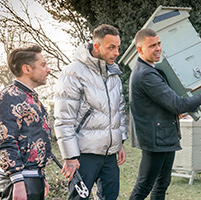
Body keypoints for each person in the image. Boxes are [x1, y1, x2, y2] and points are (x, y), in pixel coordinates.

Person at [129, 28, 201, 200]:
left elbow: (163, 104)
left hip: (164, 136)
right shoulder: (146, 74)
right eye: (152, 46)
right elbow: (176, 104)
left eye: (159, 43)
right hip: (155, 139)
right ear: (139, 50)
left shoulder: (153, 70)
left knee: (162, 184)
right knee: (144, 186)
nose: (158, 48)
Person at [54, 24, 127, 200]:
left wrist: (120, 141)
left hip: (109, 155)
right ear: (97, 46)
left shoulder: (113, 73)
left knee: (111, 196)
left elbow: (120, 109)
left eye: (118, 47)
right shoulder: (73, 72)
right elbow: (64, 118)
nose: (116, 52)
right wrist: (70, 156)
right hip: (83, 154)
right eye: (111, 47)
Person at [0, 45, 52, 199]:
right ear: (27, 69)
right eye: (43, 65)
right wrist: (18, 183)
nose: (48, 69)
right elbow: (5, 141)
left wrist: (41, 175)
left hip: (34, 178)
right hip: (19, 182)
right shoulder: (9, 97)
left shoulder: (31, 98)